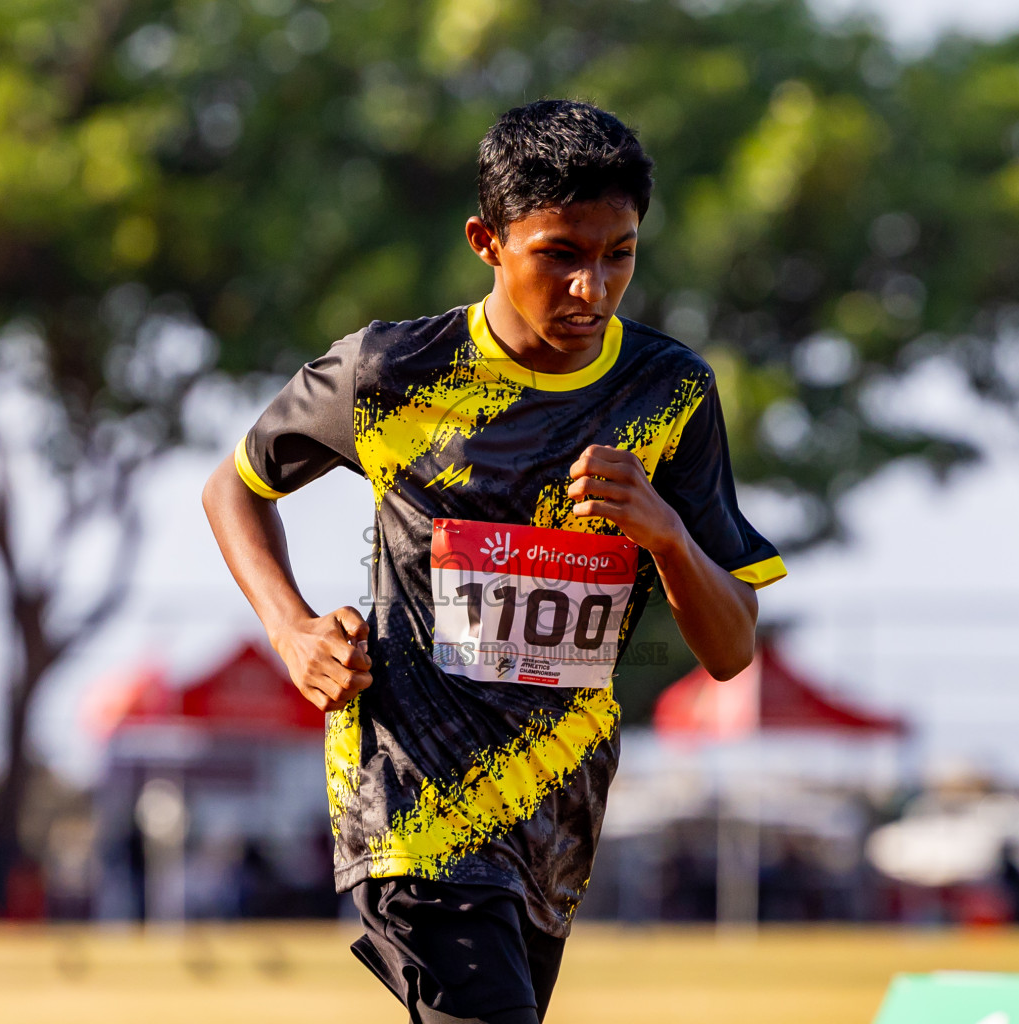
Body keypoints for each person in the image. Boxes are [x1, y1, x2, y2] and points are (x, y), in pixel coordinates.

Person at [204, 100, 785, 1023]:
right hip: (410, 802)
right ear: (488, 241)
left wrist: (666, 532)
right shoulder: (392, 373)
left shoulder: (671, 394)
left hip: (557, 806)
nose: (593, 288)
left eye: (620, 253)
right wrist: (290, 628)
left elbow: (730, 650)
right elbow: (234, 487)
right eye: (560, 254)